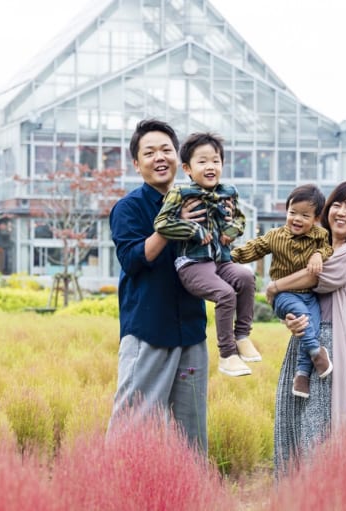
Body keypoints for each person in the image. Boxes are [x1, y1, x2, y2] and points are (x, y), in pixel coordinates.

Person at [107, 119, 209, 453]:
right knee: (134, 425)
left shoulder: (196, 202)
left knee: (191, 434)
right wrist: (171, 226)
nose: (159, 157)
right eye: (149, 152)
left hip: (192, 331)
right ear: (137, 164)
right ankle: (116, 495)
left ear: (179, 160)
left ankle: (190, 498)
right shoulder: (129, 208)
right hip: (149, 331)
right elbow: (134, 260)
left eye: (166, 149)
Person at [265, 180, 346, 478]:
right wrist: (288, 315)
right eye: (336, 205)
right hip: (304, 340)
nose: (340, 212)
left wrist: (274, 286)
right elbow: (298, 294)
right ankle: (291, 497)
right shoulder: (316, 245)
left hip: (331, 344)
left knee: (318, 426)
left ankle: (320, 496)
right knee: (291, 420)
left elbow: (319, 279)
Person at [153, 132, 260, 377]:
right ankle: (227, 354)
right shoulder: (180, 194)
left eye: (215, 161)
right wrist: (193, 229)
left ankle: (242, 336)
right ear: (188, 168)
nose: (210, 166)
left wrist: (231, 230)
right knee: (225, 294)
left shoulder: (228, 192)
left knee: (245, 277)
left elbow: (240, 219)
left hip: (220, 260)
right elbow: (161, 223)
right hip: (192, 263)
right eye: (202, 162)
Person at [231, 184, 334, 397]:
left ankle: (301, 376)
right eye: (292, 212)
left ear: (315, 219)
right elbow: (254, 248)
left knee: (311, 329)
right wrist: (229, 256)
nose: (297, 219)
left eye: (305, 215)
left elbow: (327, 249)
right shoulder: (275, 236)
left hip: (309, 296)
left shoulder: (320, 235)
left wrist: (318, 255)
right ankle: (316, 353)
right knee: (305, 321)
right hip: (284, 295)